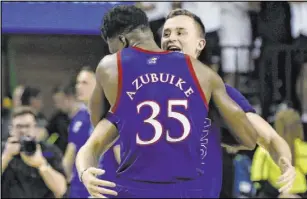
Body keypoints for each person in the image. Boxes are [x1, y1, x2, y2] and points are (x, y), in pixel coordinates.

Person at [76, 5, 260, 198]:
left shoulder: (110, 65)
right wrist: (210, 128)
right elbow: (249, 139)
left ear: (123, 41)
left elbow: (96, 122)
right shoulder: (203, 73)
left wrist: (85, 172)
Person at [161, 8, 296, 197]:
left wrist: (285, 161)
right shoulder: (142, 89)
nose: (170, 38)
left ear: (200, 45)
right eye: (166, 33)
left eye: (180, 32)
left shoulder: (218, 91)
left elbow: (270, 138)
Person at [1, 106, 67, 198]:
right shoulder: (3, 150)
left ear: (35, 128)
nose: (23, 131)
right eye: (19, 126)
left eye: (27, 126)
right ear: (11, 129)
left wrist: (42, 165)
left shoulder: (49, 151)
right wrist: (6, 156)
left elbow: (61, 190)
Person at [63, 67, 96, 198]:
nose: (78, 87)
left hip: (103, 189)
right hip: (78, 191)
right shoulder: (78, 117)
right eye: (78, 82)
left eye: (84, 83)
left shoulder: (111, 116)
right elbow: (69, 155)